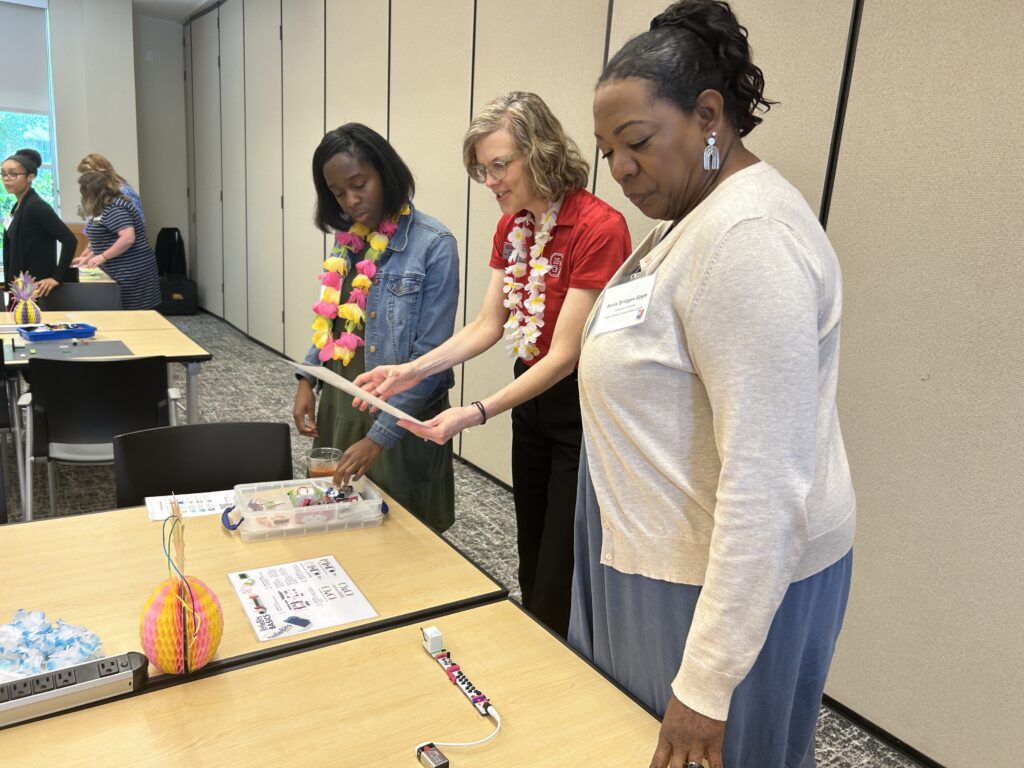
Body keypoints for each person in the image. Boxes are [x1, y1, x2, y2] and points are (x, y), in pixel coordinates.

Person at [571, 2, 857, 766]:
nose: (621, 169)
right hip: (658, 552)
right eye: (607, 152)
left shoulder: (747, 240)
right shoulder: (690, 220)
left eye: (635, 142)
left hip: (712, 583)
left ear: (708, 116)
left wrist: (706, 683)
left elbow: (767, 480)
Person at [354, 92, 631, 637]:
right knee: (530, 546)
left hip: (580, 410)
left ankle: (566, 665)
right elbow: (487, 324)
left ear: (542, 151)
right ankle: (538, 638)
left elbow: (564, 354)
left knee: (560, 563)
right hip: (529, 401)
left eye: (500, 165)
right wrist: (411, 369)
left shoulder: (600, 227)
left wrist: (475, 413)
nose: (490, 181)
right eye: (482, 170)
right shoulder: (513, 228)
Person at [293, 124, 459, 533]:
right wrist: (306, 378)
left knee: (403, 527)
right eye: (337, 193)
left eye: (359, 184)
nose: (351, 201)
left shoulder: (434, 244)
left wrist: (379, 438)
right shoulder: (350, 239)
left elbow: (431, 359)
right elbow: (330, 318)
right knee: (339, 511)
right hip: (343, 399)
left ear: (385, 171)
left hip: (401, 410)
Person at [73, 171, 161, 309]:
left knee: (134, 315)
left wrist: (101, 257)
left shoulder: (115, 207)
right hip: (118, 270)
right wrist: (88, 256)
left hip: (132, 270)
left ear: (92, 192)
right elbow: (104, 238)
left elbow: (127, 238)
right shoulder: (101, 208)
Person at [2, 148, 77, 298]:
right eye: (3, 173)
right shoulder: (18, 206)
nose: (6, 178)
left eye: (13, 173)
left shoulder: (35, 206)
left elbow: (70, 240)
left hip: (37, 289)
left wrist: (57, 277)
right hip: (22, 287)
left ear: (30, 177)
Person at [77, 153, 144, 219]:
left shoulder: (124, 191)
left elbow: (139, 220)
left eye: (89, 175)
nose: (86, 180)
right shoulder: (100, 195)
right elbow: (96, 222)